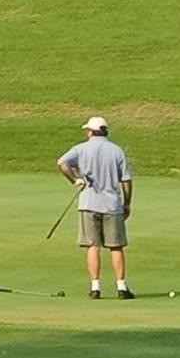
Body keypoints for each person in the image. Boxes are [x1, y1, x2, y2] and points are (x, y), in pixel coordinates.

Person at [57, 115, 133, 300]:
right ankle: (121, 287)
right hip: (112, 205)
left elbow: (62, 163)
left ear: (91, 131)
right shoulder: (117, 151)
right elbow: (126, 181)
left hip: (88, 204)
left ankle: (95, 287)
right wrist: (127, 203)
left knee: (92, 246)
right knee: (116, 247)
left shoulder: (81, 149)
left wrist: (76, 180)